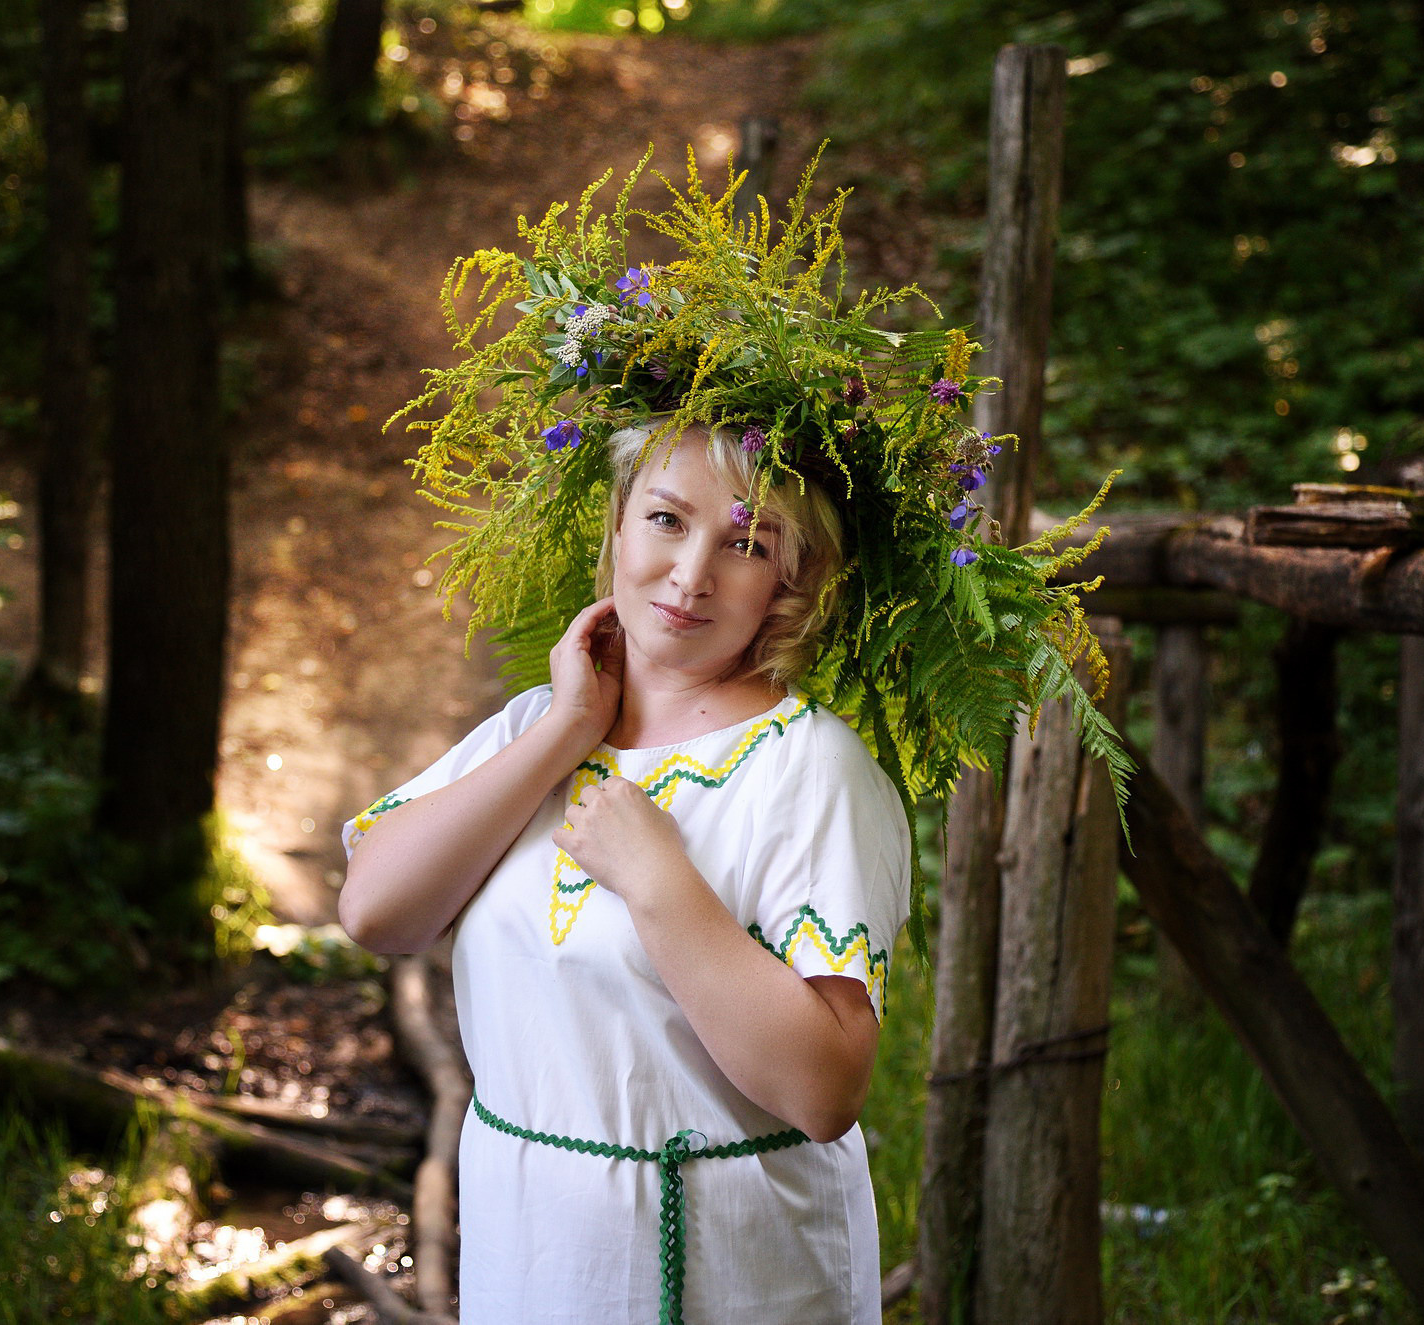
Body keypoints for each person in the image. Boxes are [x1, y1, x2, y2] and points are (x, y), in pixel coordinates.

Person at [339, 150, 1123, 1324]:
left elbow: (823, 1086)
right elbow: (374, 912)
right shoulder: (535, 725)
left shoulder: (810, 767)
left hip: (724, 1276)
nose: (689, 573)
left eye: (747, 542)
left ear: (792, 582)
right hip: (530, 1261)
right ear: (613, 526)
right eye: (665, 518)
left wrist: (661, 880)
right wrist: (561, 730)